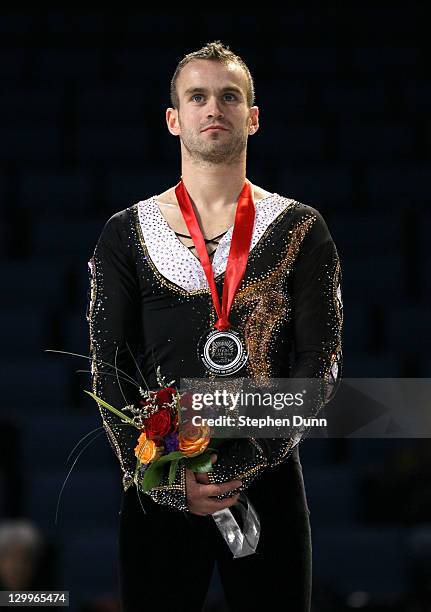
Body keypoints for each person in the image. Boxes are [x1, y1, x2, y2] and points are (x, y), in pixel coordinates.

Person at [86, 40, 343, 612]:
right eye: (197, 97)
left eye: (230, 97)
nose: (214, 109)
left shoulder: (301, 228)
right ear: (174, 119)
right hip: (159, 480)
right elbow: (108, 371)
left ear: (252, 116)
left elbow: (320, 370)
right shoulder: (125, 233)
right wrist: (170, 479)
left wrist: (243, 459)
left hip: (267, 481)